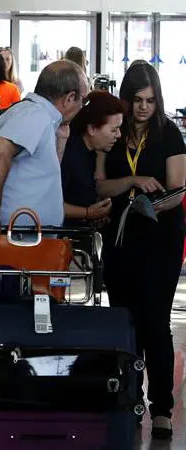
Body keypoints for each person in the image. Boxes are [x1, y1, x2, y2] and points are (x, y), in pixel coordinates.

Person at [96, 63, 186, 440]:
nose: (144, 108)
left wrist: (150, 202)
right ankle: (127, 400)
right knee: (124, 322)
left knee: (155, 323)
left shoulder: (169, 135)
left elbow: (177, 189)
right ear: (127, 99)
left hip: (160, 240)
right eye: (137, 100)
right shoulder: (113, 132)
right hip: (120, 241)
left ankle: (161, 407)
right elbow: (100, 185)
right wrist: (132, 182)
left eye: (150, 100)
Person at [0, 60, 90, 236]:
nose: (81, 107)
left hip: (23, 242)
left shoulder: (40, 117)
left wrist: (61, 137)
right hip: (8, 243)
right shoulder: (34, 114)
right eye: (83, 101)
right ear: (69, 98)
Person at [61, 91, 124, 228]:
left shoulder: (90, 153)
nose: (119, 135)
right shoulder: (69, 156)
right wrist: (88, 213)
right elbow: (51, 204)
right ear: (92, 128)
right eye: (114, 130)